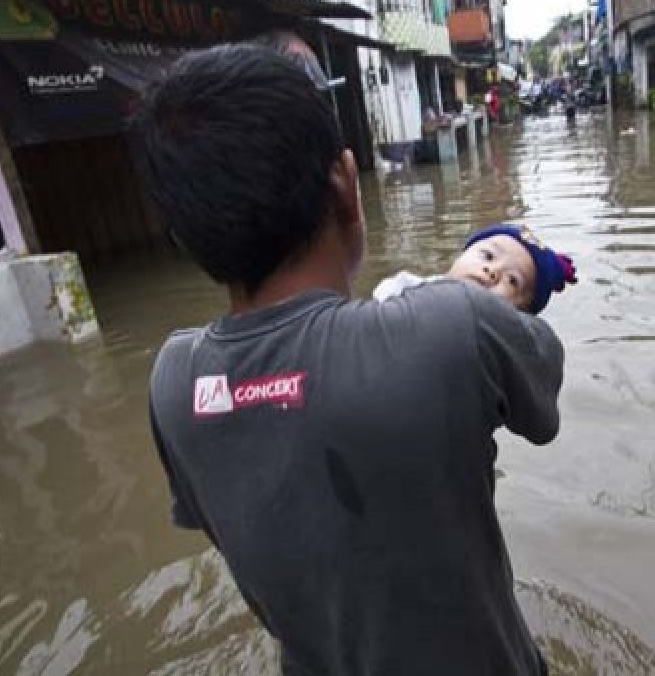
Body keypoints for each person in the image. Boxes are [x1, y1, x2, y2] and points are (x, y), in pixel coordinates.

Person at [131, 44, 565, 675]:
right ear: (343, 184)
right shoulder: (452, 324)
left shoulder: (172, 384)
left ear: (185, 235)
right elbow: (542, 399)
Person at [373, 223, 578, 313]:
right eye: (488, 256)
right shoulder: (404, 289)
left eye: (512, 281)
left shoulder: (503, 349)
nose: (492, 272)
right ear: (460, 255)